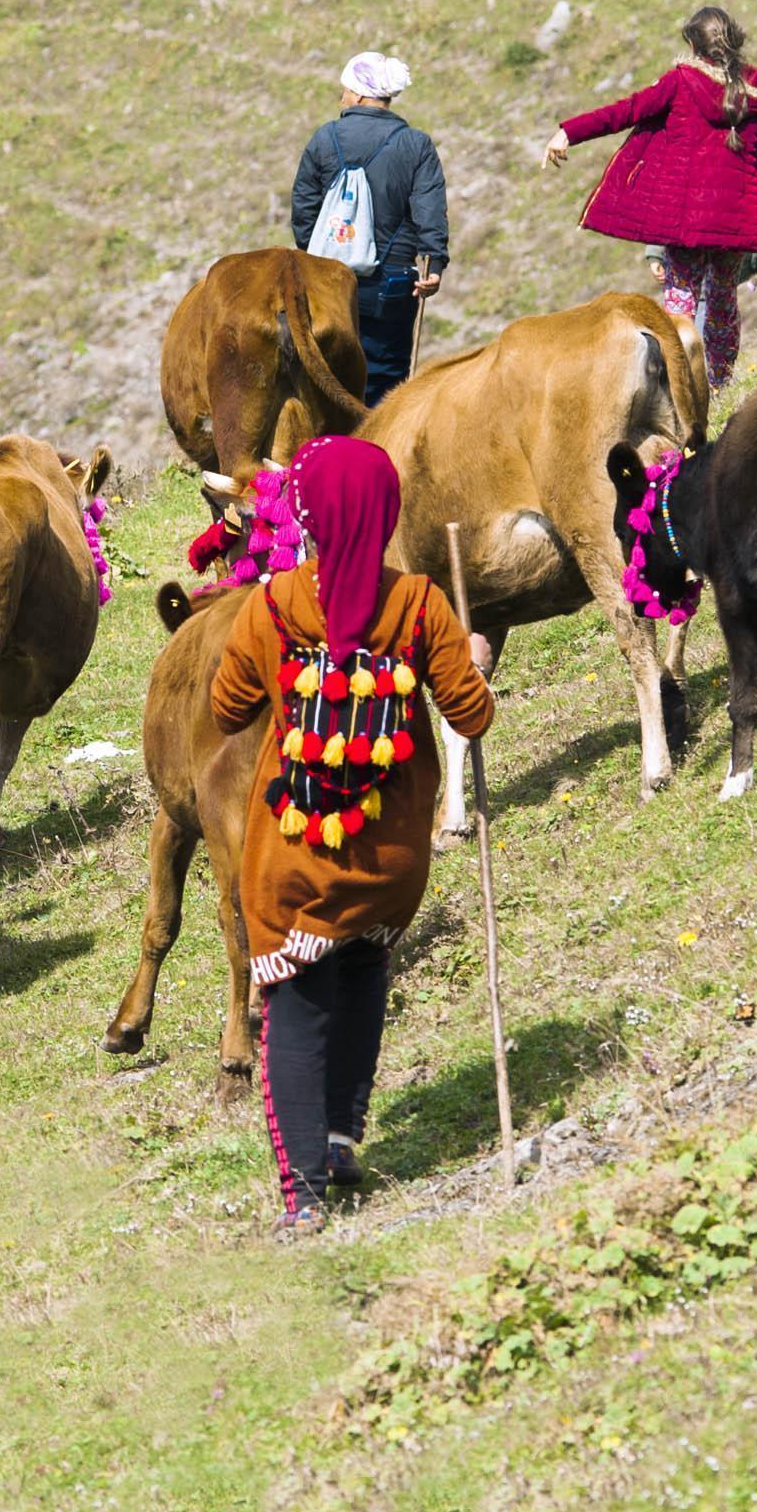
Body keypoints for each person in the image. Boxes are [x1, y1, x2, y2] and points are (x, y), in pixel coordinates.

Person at [207, 436, 496, 1234]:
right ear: (385, 512)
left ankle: (301, 1195)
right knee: (365, 962)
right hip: (391, 860)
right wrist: (469, 661)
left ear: (307, 513)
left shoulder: (270, 607)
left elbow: (227, 711)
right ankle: (339, 1140)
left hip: (296, 858)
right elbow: (470, 716)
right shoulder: (423, 604)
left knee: (296, 1007)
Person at [540, 7, 757, 393]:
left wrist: (568, 133)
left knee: (680, 301)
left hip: (685, 225)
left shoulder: (680, 82)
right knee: (723, 299)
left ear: (693, 44)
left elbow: (625, 112)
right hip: (733, 226)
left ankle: (681, 384)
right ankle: (719, 384)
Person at [289, 51, 450, 404]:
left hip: (326, 279)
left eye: (345, 90)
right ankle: (371, 453)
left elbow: (303, 210)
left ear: (360, 93)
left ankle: (324, 453)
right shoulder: (415, 145)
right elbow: (430, 211)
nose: (342, 97)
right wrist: (434, 266)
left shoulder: (324, 138)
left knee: (325, 378)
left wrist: (319, 255)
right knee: (384, 384)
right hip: (390, 285)